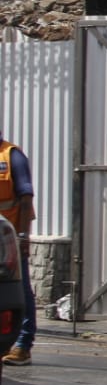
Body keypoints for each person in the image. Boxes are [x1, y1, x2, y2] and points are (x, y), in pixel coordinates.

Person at [0, 130, 35, 365]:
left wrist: (23, 236)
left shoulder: (12, 156)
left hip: (6, 240)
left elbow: (25, 198)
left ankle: (23, 344)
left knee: (19, 290)